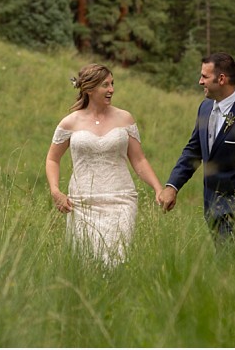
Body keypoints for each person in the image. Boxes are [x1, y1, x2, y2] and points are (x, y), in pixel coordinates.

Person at [46, 64, 163, 266]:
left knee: (116, 259)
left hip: (120, 200)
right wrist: (55, 191)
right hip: (82, 202)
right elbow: (52, 159)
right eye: (105, 85)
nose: (111, 89)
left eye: (112, 84)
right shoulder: (69, 123)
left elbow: (139, 159)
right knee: (85, 263)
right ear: (89, 89)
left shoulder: (124, 118)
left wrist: (158, 188)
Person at [156, 52, 235, 240]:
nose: (200, 81)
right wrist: (172, 186)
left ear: (222, 79)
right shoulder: (205, 108)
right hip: (211, 211)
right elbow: (194, 151)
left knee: (230, 267)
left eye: (204, 76)